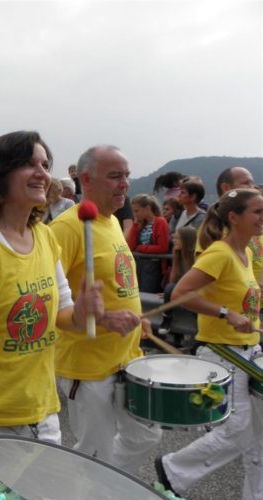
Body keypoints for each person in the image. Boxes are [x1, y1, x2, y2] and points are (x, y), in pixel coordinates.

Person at [0, 131, 105, 450]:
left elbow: (63, 315)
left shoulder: (44, 236)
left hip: (42, 410)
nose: (43, 173)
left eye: (45, 164)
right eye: (29, 164)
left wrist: (84, 313)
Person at [50, 145, 162, 475]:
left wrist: (137, 317)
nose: (125, 184)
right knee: (93, 451)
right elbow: (47, 295)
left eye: (126, 175)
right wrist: (100, 318)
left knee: (146, 433)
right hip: (87, 364)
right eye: (115, 176)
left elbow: (117, 282)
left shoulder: (111, 222)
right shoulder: (67, 227)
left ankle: (105, 487)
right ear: (86, 179)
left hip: (127, 355)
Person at [155, 188, 263, 500]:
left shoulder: (245, 253)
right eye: (257, 211)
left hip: (249, 350)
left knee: (258, 430)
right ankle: (171, 470)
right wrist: (224, 313)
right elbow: (182, 293)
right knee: (235, 430)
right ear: (234, 217)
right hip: (221, 353)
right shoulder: (219, 253)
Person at [157, 226, 197, 337]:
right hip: (183, 291)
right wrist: (168, 293)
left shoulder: (196, 257)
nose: (174, 241)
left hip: (195, 292)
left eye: (177, 238)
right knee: (169, 287)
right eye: (174, 238)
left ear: (186, 240)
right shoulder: (177, 254)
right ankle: (166, 319)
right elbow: (174, 278)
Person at [126, 194, 169, 293]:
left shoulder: (160, 222)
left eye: (137, 211)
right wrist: (135, 225)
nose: (135, 214)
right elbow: (131, 246)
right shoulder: (141, 224)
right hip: (139, 265)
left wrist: (141, 248)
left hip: (153, 267)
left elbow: (163, 248)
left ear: (147, 208)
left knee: (147, 293)